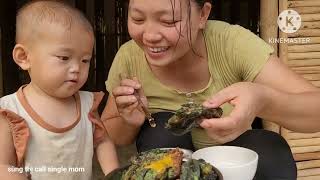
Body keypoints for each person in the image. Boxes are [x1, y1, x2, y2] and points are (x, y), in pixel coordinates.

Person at [102, 0, 320, 179]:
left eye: (169, 21)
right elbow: (113, 134)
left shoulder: (232, 44)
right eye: (137, 18)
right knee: (159, 132)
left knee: (270, 151)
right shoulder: (130, 57)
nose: (149, 35)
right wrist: (129, 120)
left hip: (231, 160)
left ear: (202, 15)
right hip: (173, 167)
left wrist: (263, 100)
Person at [0, 1, 119, 180]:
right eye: (64, 58)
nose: (76, 68)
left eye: (85, 60)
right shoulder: (11, 110)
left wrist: (114, 174)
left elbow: (102, 141)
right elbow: (3, 166)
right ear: (24, 57)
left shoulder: (87, 104)